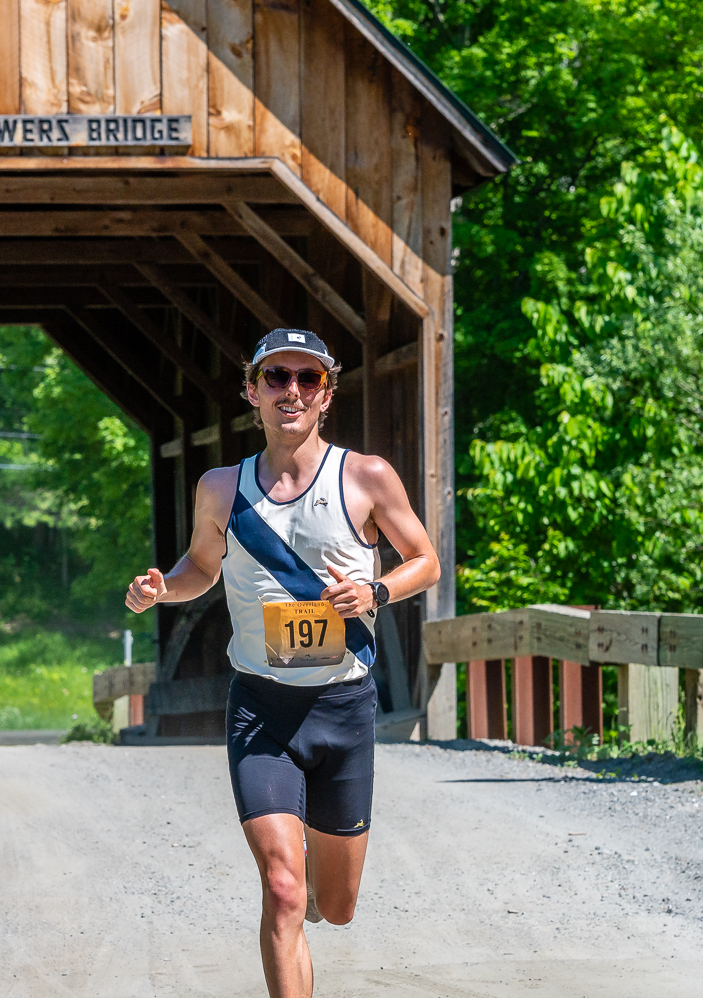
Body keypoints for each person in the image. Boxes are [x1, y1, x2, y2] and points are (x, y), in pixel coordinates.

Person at [125, 328, 441, 998]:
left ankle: (317, 891)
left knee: (337, 905)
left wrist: (376, 591)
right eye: (275, 377)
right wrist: (162, 589)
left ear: (327, 394)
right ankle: (294, 903)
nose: (290, 390)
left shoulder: (366, 477)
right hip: (261, 712)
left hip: (343, 709)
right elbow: (200, 569)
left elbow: (425, 561)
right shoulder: (221, 487)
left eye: (307, 378)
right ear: (252, 392)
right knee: (282, 887)